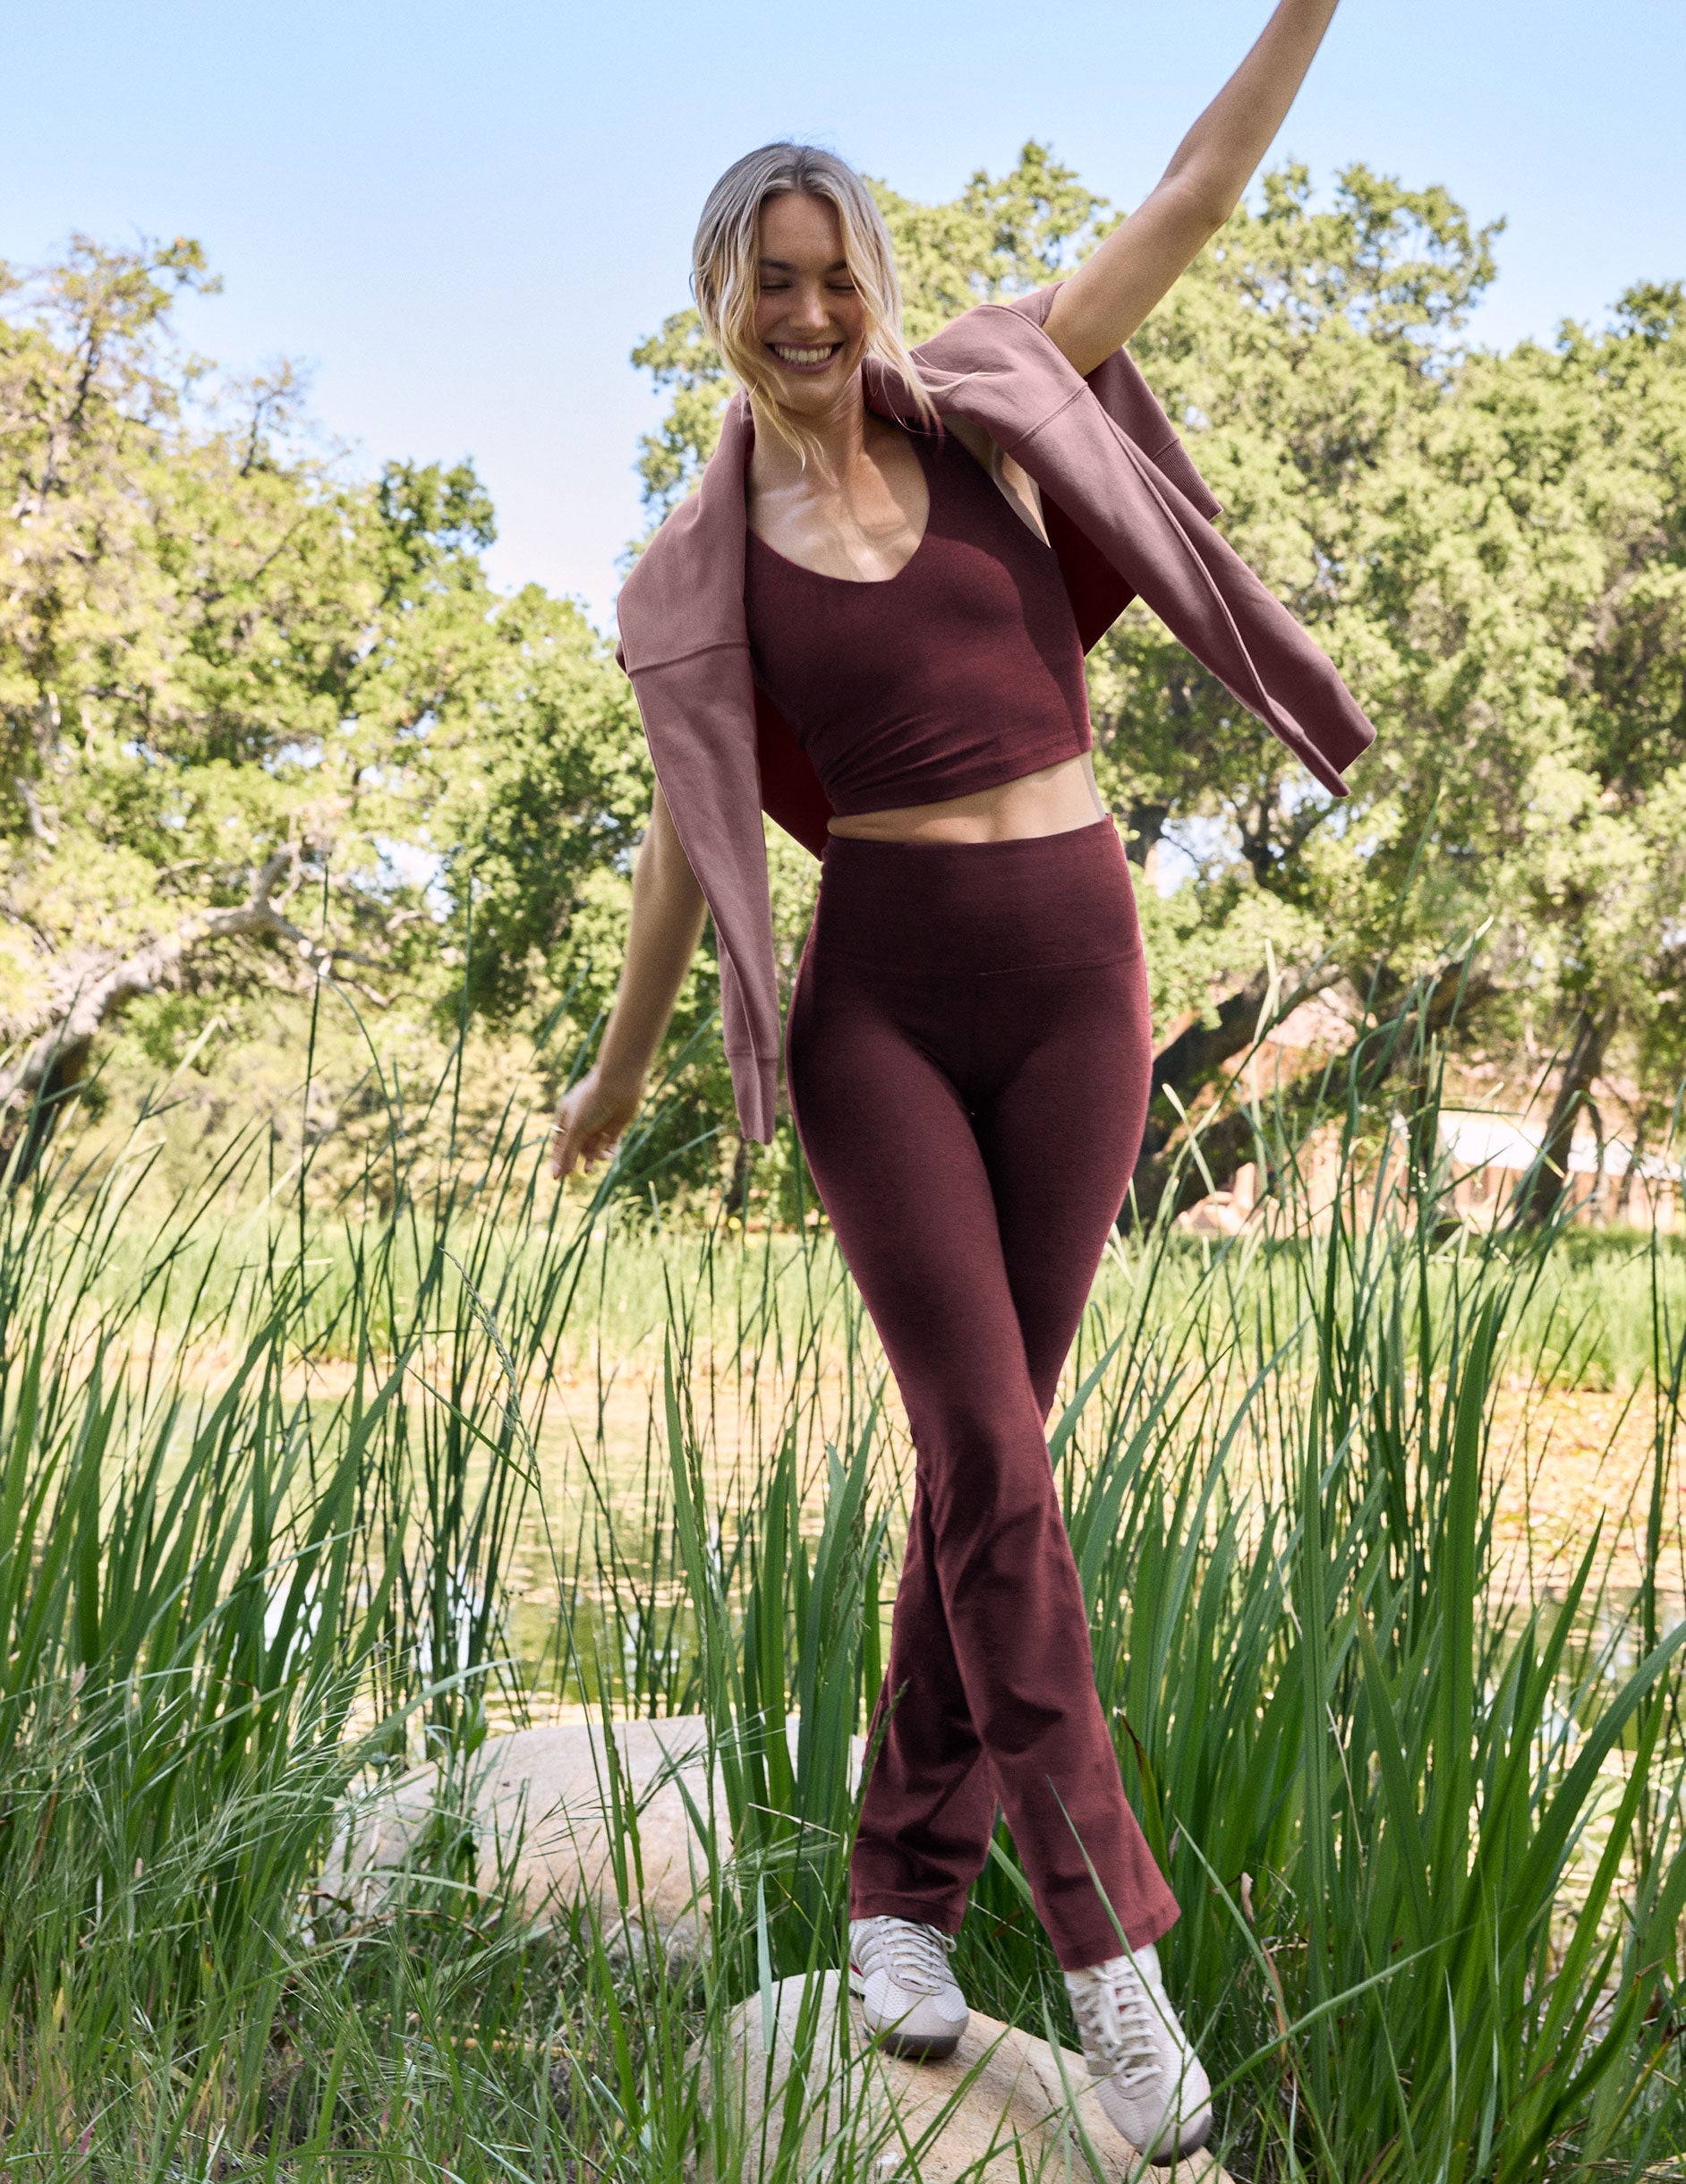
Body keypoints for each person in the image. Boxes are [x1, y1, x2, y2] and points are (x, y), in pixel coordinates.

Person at [554, 1, 1363, 2159]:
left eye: (837, 273)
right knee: (989, 1448)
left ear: (875, 286)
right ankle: (1111, 1956)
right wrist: (620, 1075)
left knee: (984, 1471)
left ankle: (898, 1898)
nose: (810, 311)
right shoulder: (696, 572)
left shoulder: (995, 398)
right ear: (717, 304)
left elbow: (1192, 196)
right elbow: (686, 833)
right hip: (883, 1014)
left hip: (1082, 982)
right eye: (770, 279)